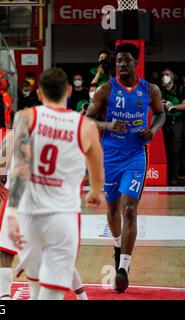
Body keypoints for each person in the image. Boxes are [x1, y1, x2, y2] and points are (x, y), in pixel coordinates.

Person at [6, 67, 105, 300]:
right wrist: (96, 191)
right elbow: (98, 165)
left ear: (39, 93)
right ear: (69, 91)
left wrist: (11, 212)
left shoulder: (25, 117)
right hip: (62, 217)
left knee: (35, 289)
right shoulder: (87, 126)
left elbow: (19, 167)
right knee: (51, 295)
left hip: (28, 215)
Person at [86, 43, 165, 293]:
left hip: (135, 156)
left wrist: (152, 129)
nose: (121, 64)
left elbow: (160, 114)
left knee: (129, 209)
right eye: (118, 60)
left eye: (126, 60)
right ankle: (118, 246)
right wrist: (108, 125)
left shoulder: (150, 90)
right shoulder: (106, 89)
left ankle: (124, 266)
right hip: (109, 156)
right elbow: (87, 119)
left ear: (135, 63)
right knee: (112, 209)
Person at [0, 128, 89, 300]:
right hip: (46, 201)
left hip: (18, 198)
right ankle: (82, 296)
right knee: (54, 251)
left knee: (5, 253)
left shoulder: (15, 134)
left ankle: (5, 298)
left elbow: (0, 165)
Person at [159, 68, 185, 185]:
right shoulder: (159, 90)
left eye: (167, 74)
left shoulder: (180, 88)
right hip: (161, 123)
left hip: (176, 122)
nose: (165, 76)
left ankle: (173, 178)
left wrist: (173, 107)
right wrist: (161, 103)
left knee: (174, 151)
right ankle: (162, 177)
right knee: (162, 151)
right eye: (163, 75)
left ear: (172, 76)